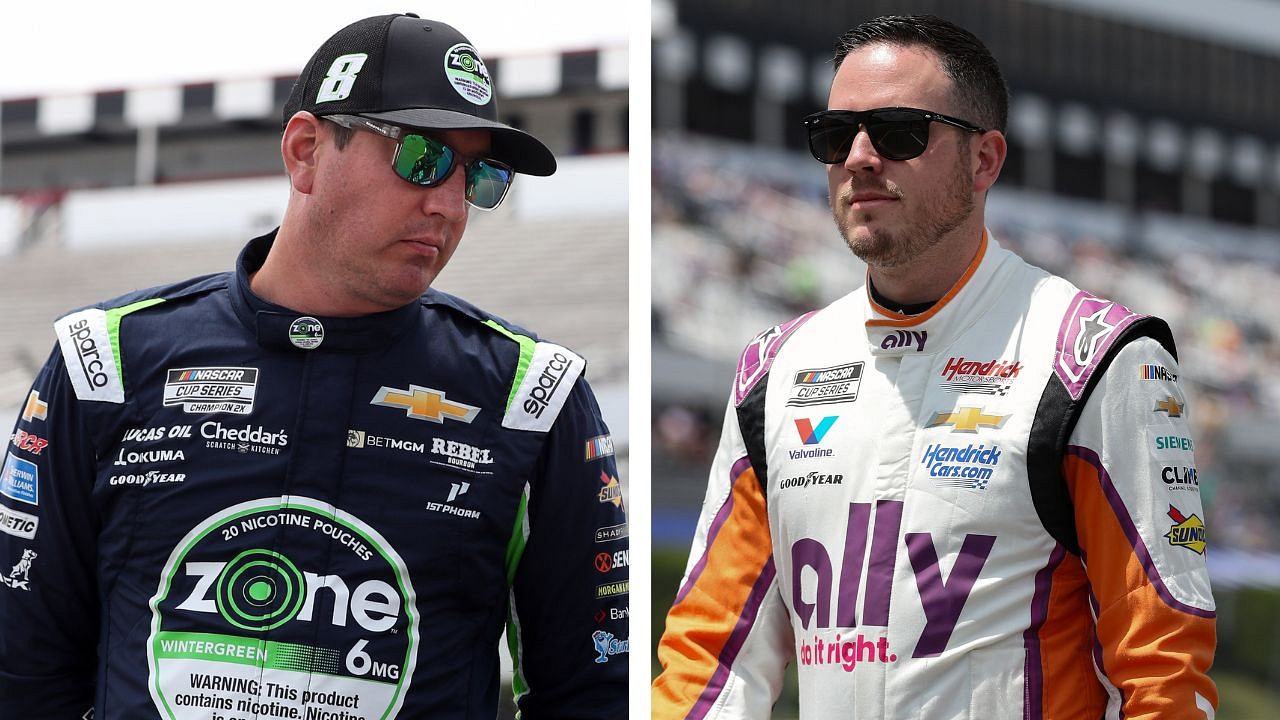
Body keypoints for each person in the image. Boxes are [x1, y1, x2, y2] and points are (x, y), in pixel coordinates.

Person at [0, 13, 627, 719]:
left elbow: (592, 692)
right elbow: (22, 675)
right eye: (422, 157)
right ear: (305, 151)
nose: (448, 203)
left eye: (480, 176)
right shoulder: (103, 363)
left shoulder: (532, 395)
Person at [653, 14, 1215, 720]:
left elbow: (1164, 670)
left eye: (898, 132)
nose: (858, 157)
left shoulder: (1094, 357)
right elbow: (711, 661)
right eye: (835, 135)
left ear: (984, 160)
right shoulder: (776, 368)